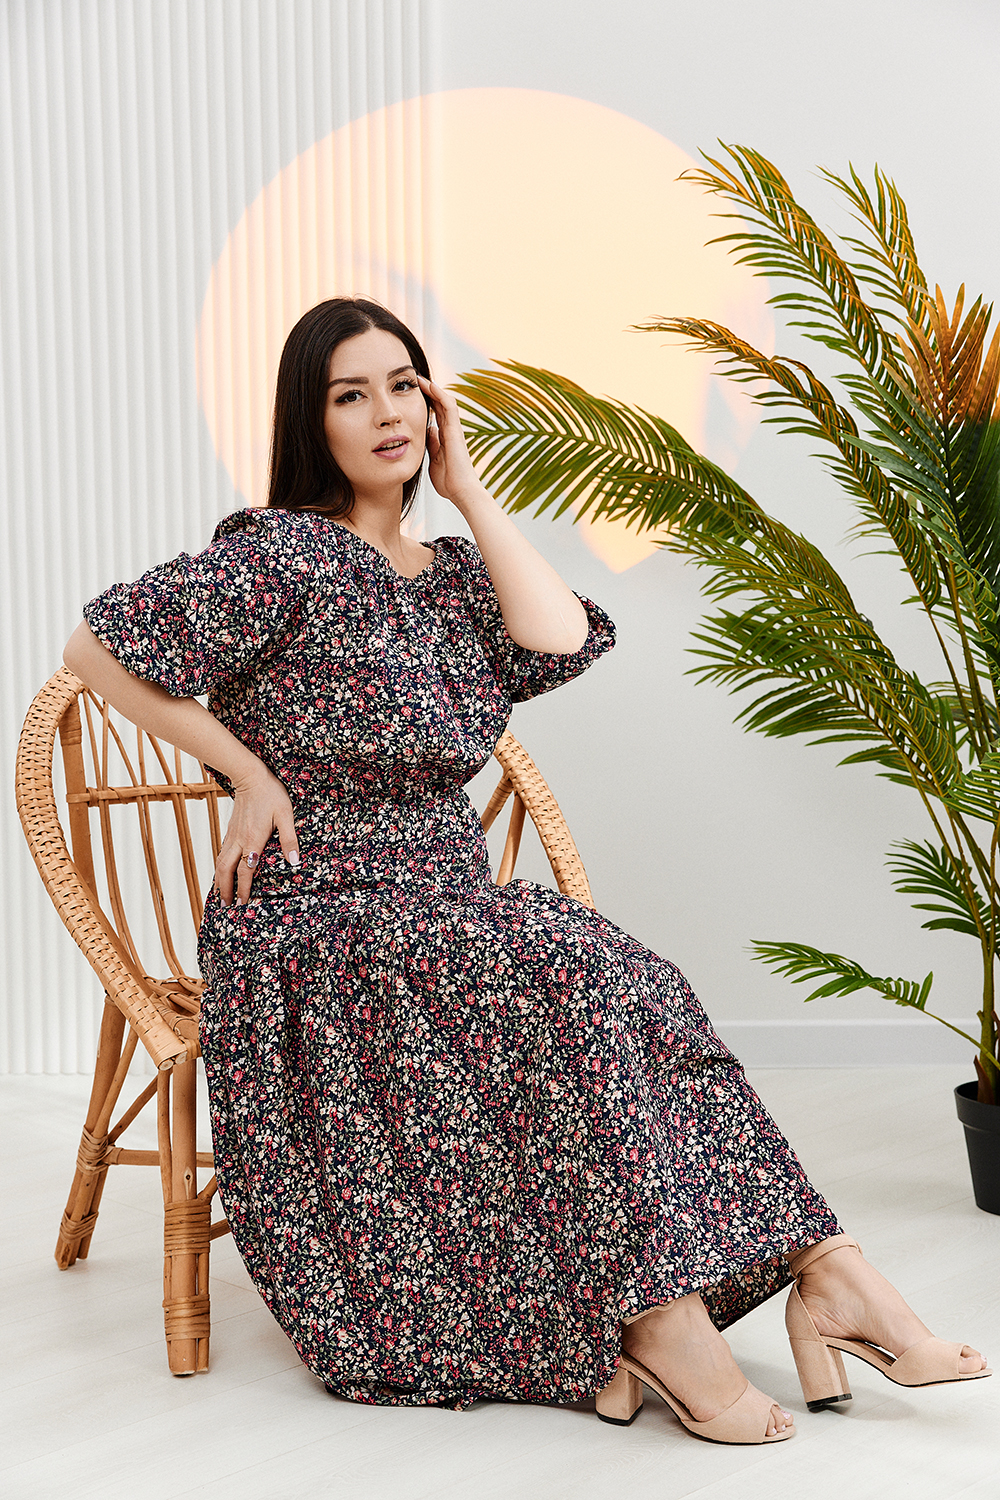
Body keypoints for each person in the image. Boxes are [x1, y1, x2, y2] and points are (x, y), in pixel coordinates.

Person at [64, 297, 989, 1445]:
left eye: (403, 385)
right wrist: (243, 768)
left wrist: (471, 493)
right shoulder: (277, 555)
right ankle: (660, 1320)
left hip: (448, 901)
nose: (386, 412)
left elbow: (561, 638)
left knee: (627, 976)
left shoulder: (455, 574)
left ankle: (828, 1273)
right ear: (313, 419)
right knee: (567, 957)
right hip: (314, 914)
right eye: (351, 394)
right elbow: (95, 648)